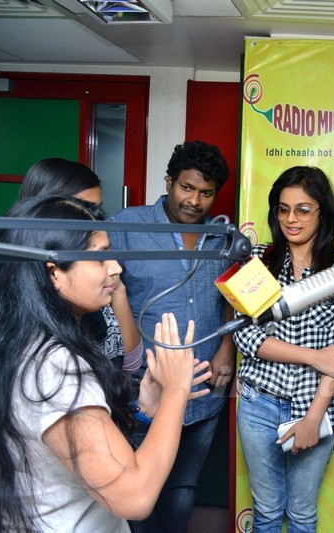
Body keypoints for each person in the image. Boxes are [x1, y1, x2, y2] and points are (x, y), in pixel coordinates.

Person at [0, 195, 210, 532]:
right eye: (100, 257)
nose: (115, 267)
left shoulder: (20, 339)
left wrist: (146, 409)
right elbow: (135, 497)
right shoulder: (53, 366)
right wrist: (176, 391)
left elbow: (84, 450)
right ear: (54, 272)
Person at [108, 140, 235, 532]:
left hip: (203, 388)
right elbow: (104, 297)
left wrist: (227, 351)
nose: (194, 201)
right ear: (168, 182)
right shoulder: (126, 228)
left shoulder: (224, 236)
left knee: (183, 487)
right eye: (186, 187)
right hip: (145, 391)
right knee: (139, 487)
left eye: (206, 193)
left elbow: (234, 299)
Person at [233, 166, 334, 531]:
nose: (292, 219)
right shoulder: (257, 261)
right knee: (268, 512)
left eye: (303, 209)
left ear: (323, 212)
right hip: (258, 402)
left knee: (302, 515)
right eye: (284, 208)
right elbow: (247, 338)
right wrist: (313, 356)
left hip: (315, 406)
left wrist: (312, 419)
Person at [20, 157, 143, 373]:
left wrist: (118, 289)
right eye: (82, 209)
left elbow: (131, 362)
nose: (93, 219)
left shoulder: (97, 270)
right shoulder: (28, 305)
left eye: (97, 210)